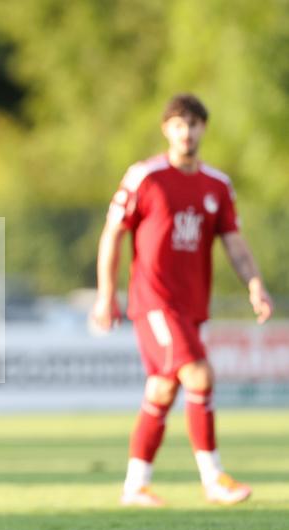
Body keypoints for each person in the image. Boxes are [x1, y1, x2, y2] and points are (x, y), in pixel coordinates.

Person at [93, 93, 273, 507]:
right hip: (155, 301)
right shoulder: (145, 177)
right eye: (178, 124)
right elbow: (112, 233)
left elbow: (235, 245)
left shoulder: (217, 186)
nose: (186, 132)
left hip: (192, 306)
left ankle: (135, 486)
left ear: (203, 129)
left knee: (161, 389)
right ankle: (213, 479)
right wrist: (106, 294)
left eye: (193, 124)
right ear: (166, 130)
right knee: (199, 374)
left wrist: (255, 283)